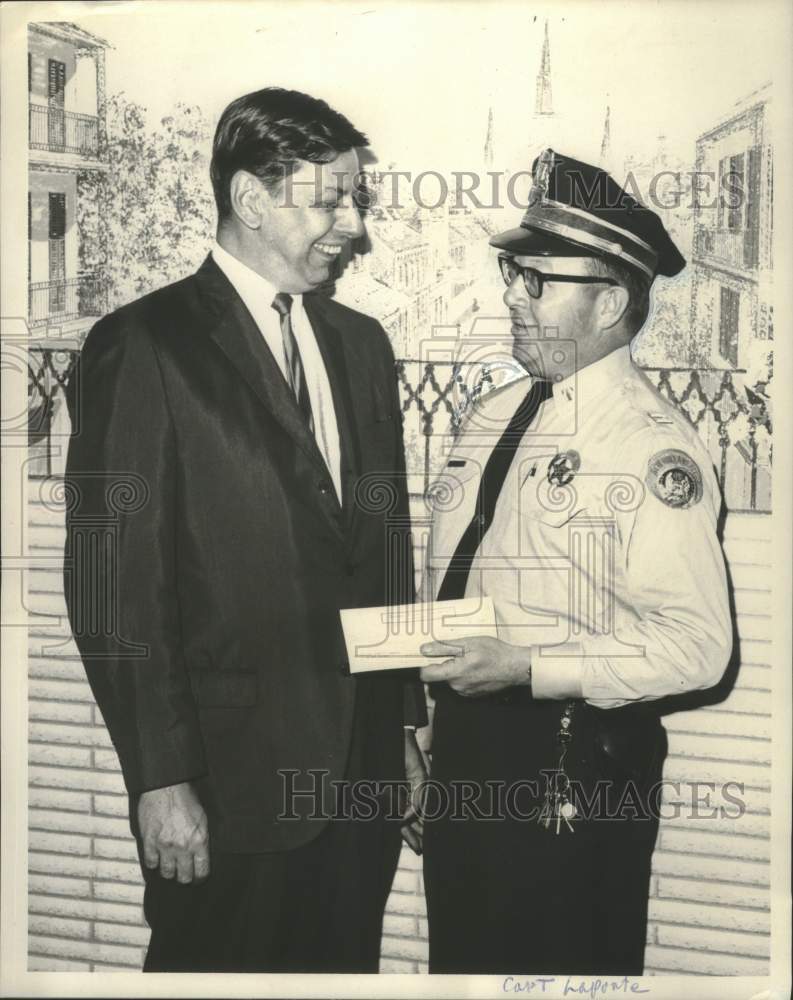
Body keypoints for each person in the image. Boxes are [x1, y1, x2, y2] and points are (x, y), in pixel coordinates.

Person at [64, 87, 427, 973]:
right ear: (250, 199)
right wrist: (159, 779)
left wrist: (403, 726)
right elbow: (117, 589)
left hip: (362, 782)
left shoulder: (363, 345)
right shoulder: (143, 344)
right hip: (228, 789)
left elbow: (382, 555)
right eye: (329, 197)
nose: (351, 224)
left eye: (354, 198)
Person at [419, 149, 732, 974]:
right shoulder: (492, 415)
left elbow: (696, 648)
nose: (511, 296)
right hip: (465, 749)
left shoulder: (648, 445)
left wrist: (529, 667)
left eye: (537, 279)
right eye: (512, 274)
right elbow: (452, 581)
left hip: (572, 762)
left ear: (610, 302)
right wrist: (415, 729)